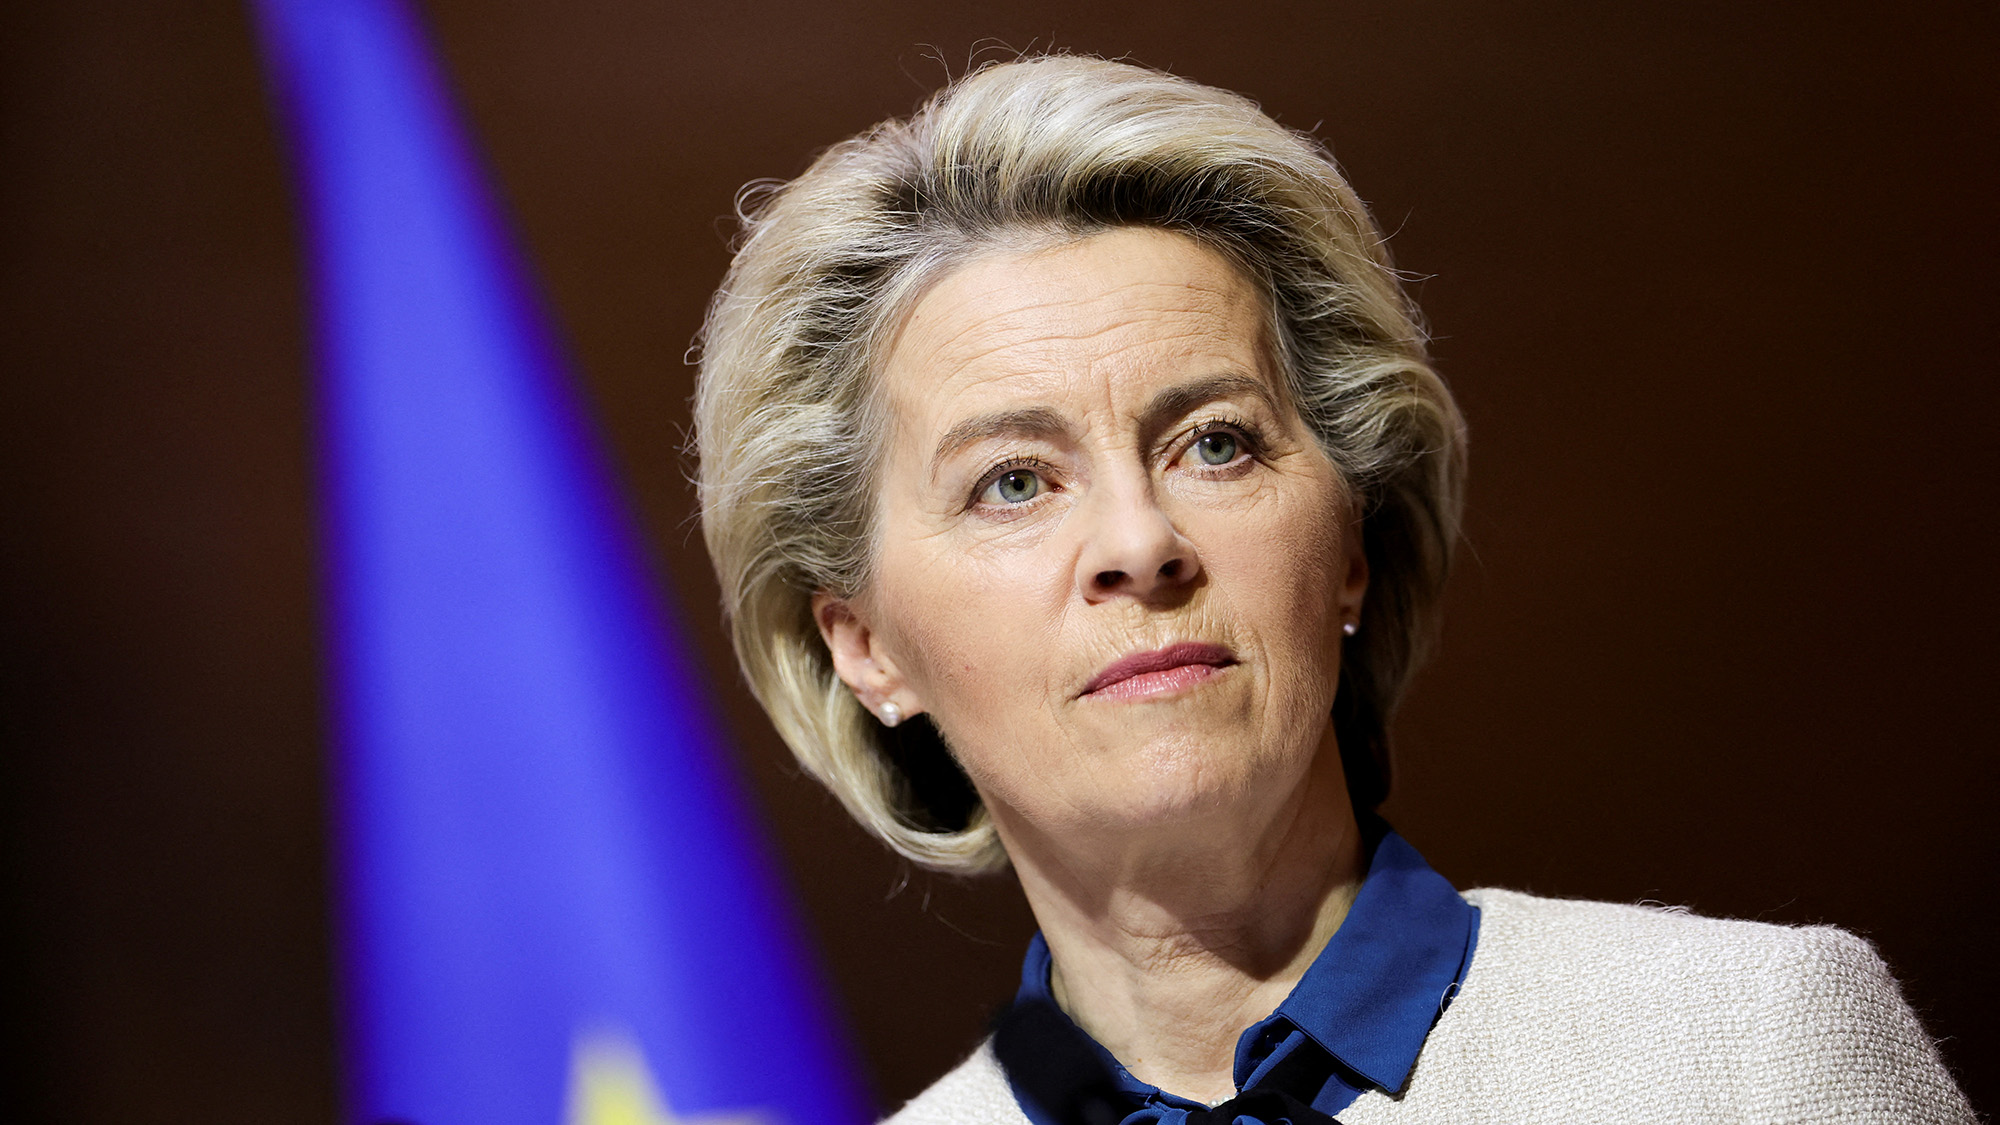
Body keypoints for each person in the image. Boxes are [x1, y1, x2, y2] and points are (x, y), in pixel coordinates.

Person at [691, 55, 1973, 1124]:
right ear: (864, 647)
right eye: (1012, 483)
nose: (1139, 543)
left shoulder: (1743, 1058)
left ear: (1349, 541)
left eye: (1215, 442)